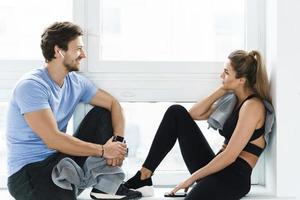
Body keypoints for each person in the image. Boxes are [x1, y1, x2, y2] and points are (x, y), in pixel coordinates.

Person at [6, 21, 141, 200]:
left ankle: (106, 188)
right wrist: (103, 150)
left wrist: (117, 143)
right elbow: (53, 140)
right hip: (29, 173)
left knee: (102, 114)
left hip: (59, 161)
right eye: (78, 49)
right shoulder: (32, 86)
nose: (83, 55)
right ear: (58, 51)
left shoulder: (75, 82)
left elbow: (113, 104)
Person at [125, 50, 272, 200]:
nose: (221, 76)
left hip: (233, 177)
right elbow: (193, 114)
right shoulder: (233, 100)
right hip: (218, 167)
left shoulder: (252, 106)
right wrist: (222, 89)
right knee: (176, 112)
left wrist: (191, 179)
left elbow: (229, 156)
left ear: (241, 80)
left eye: (226, 73)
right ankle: (144, 176)